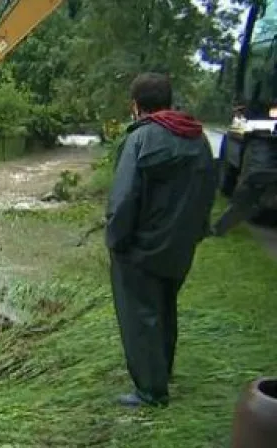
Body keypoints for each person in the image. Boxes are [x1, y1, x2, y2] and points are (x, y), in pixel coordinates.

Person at [105, 72, 216, 408]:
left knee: (140, 316)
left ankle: (150, 391)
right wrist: (196, 233)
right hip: (180, 246)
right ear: (169, 101)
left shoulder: (140, 140)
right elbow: (208, 191)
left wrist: (115, 240)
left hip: (141, 248)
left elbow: (124, 199)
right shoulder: (199, 139)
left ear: (136, 106)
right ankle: (162, 371)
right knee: (165, 307)